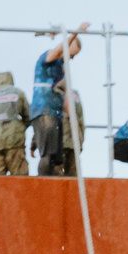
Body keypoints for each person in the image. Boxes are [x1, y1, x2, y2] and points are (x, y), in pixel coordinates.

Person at [31, 24, 89, 176]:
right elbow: (56, 51)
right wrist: (74, 34)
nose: (72, 58)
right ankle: (43, 184)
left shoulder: (61, 70)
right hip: (44, 110)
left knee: (57, 158)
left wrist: (74, 121)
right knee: (48, 155)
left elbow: (65, 97)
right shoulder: (47, 58)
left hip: (55, 113)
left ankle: (52, 187)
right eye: (72, 54)